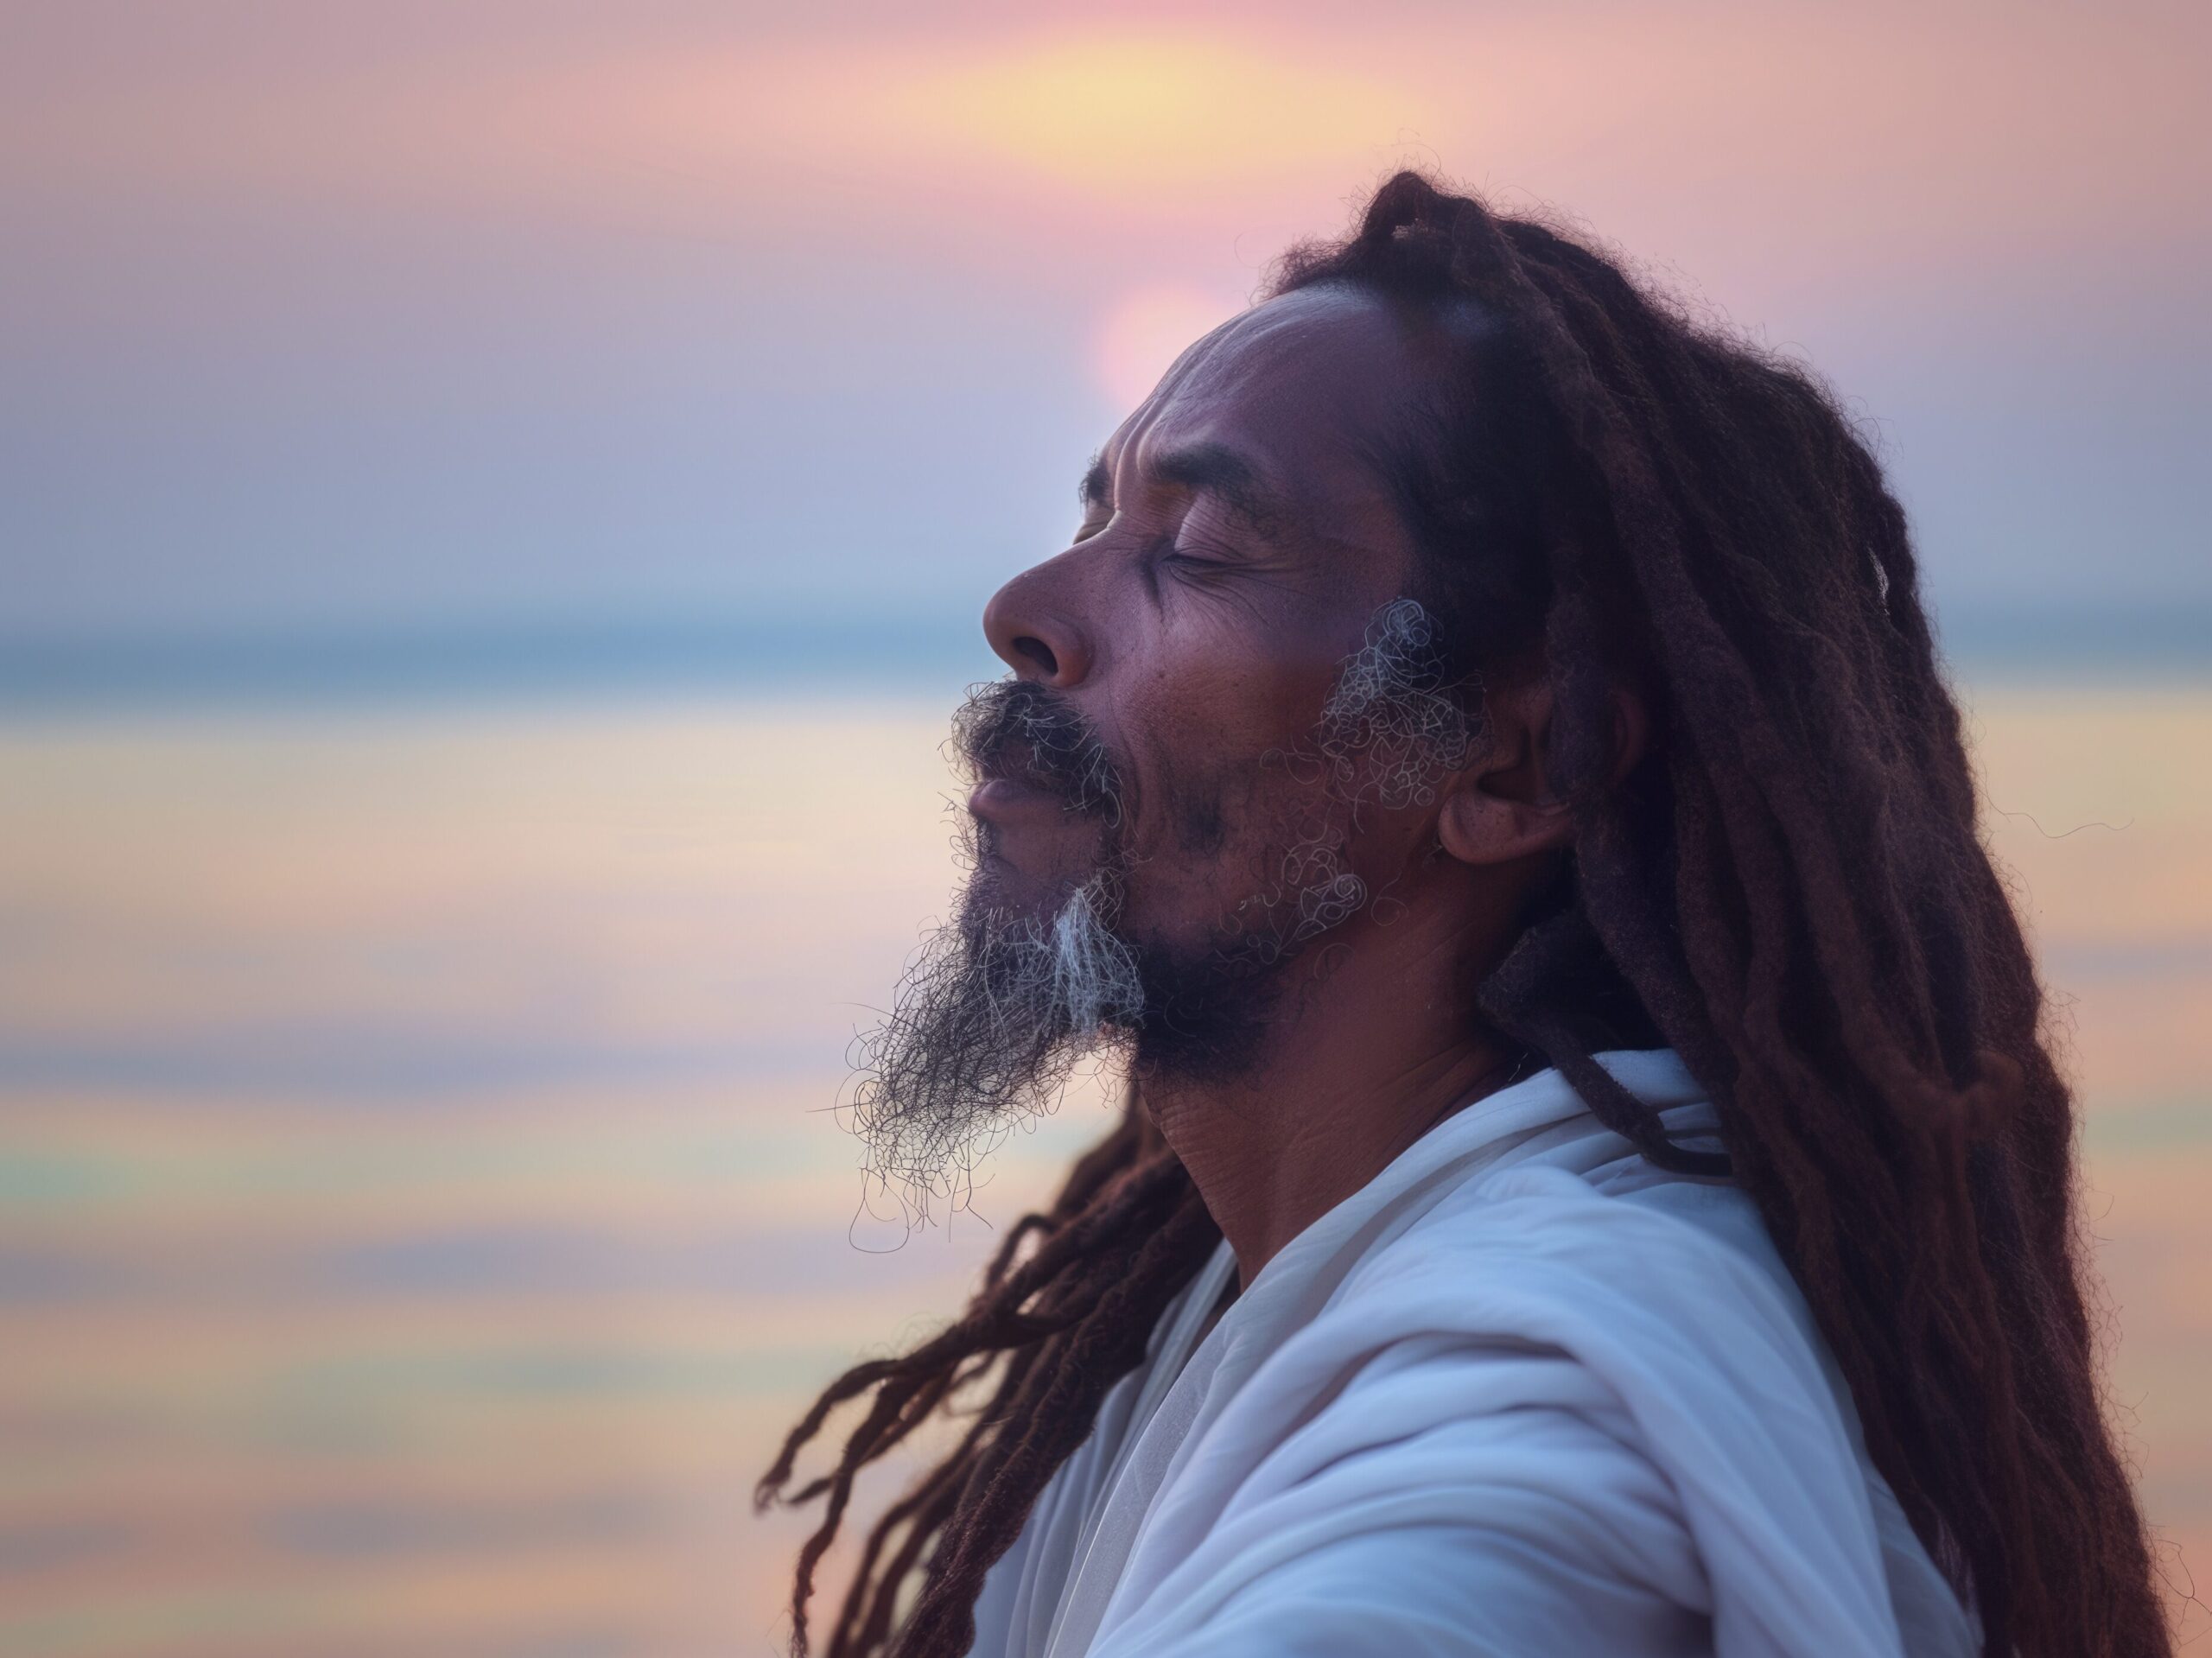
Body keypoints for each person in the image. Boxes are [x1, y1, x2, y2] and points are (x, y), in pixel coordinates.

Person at [755, 171, 2170, 1657]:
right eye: (1099, 513)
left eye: (1200, 546)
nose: (1027, 608)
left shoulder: (1555, 1420)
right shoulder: (1241, 1303)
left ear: (1512, 764)